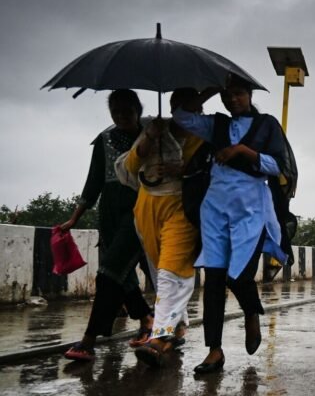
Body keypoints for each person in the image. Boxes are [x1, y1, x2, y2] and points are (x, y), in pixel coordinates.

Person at [172, 75, 289, 374]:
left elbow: (279, 165)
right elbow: (182, 116)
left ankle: (251, 311)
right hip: (215, 207)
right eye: (227, 96)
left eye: (237, 94)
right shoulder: (216, 125)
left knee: (239, 276)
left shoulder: (267, 124)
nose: (232, 100)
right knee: (213, 278)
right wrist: (209, 89)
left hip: (250, 208)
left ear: (249, 94)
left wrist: (242, 151)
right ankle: (214, 350)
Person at [61, 89, 154, 362]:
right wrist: (75, 217)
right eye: (116, 112)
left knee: (108, 274)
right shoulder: (103, 139)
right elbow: (93, 182)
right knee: (121, 277)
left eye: (127, 111)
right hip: (109, 213)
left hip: (139, 211)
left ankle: (89, 341)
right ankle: (147, 318)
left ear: (138, 110)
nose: (122, 116)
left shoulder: (152, 137)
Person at [124, 89, 207, 366]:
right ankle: (178, 326)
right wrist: (150, 138)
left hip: (181, 209)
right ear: (173, 108)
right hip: (147, 208)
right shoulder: (154, 128)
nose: (193, 115)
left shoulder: (205, 134)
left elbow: (210, 172)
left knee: (173, 270)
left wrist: (181, 172)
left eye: (196, 109)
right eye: (184, 109)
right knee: (160, 272)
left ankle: (159, 336)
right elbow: (130, 164)